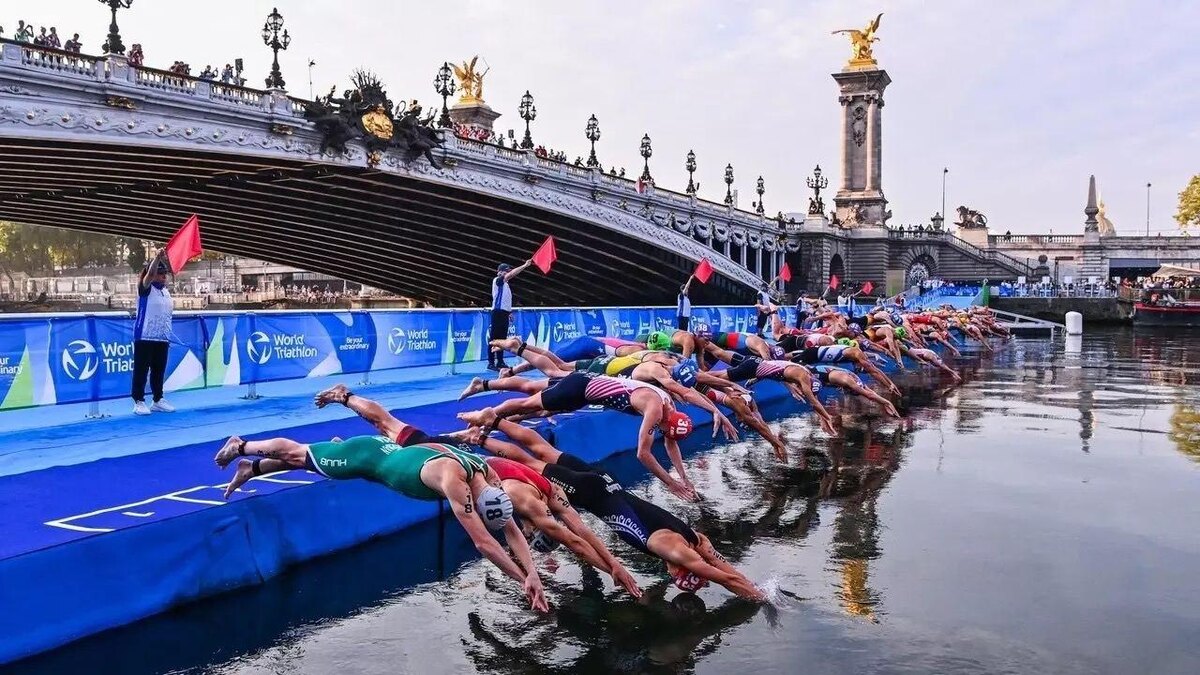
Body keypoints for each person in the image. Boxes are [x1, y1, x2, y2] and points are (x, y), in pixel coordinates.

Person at [308, 384, 642, 597]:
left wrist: (615, 564)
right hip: (446, 460)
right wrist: (611, 569)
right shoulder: (526, 503)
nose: (527, 530)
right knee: (387, 427)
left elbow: (580, 531)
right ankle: (346, 399)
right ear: (534, 526)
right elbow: (574, 540)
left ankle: (347, 406)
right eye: (531, 531)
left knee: (389, 425)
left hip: (464, 457)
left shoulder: (553, 493)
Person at [213, 433, 549, 613]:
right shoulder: (455, 484)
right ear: (477, 500)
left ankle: (252, 470)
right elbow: (485, 543)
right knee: (297, 454)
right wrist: (523, 580)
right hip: (368, 457)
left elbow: (509, 528)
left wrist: (532, 570)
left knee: (314, 462)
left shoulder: (486, 473)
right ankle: (243, 446)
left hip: (386, 453)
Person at [474, 419, 766, 601]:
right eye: (676, 576)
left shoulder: (694, 539)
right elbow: (725, 579)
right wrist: (761, 599)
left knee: (542, 453)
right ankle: (483, 435)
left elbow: (726, 569)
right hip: (591, 494)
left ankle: (492, 425)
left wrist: (753, 584)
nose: (671, 575)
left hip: (607, 483)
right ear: (681, 568)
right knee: (531, 463)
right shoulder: (672, 550)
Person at [459, 370, 702, 501]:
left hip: (586, 387)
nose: (661, 431)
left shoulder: (670, 410)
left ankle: (484, 386)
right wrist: (670, 483)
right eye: (662, 429)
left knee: (534, 394)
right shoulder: (655, 409)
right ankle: (486, 416)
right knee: (529, 403)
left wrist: (684, 477)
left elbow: (671, 443)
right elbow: (643, 453)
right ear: (666, 420)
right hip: (582, 388)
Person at [131, 250, 176, 415]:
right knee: (141, 369)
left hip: (162, 337)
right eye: (160, 273)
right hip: (145, 335)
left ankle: (158, 399)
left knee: (159, 370)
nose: (164, 276)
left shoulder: (166, 292)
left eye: (165, 274)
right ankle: (139, 401)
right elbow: (149, 275)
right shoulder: (145, 288)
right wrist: (157, 258)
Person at [488, 259, 533, 371]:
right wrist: (525, 265)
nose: (507, 273)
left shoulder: (505, 285)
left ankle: (500, 361)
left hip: (503, 313)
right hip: (498, 313)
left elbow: (505, 300)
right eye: (506, 271)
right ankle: (491, 362)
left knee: (502, 338)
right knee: (494, 338)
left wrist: (508, 312)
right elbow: (511, 275)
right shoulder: (498, 280)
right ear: (500, 272)